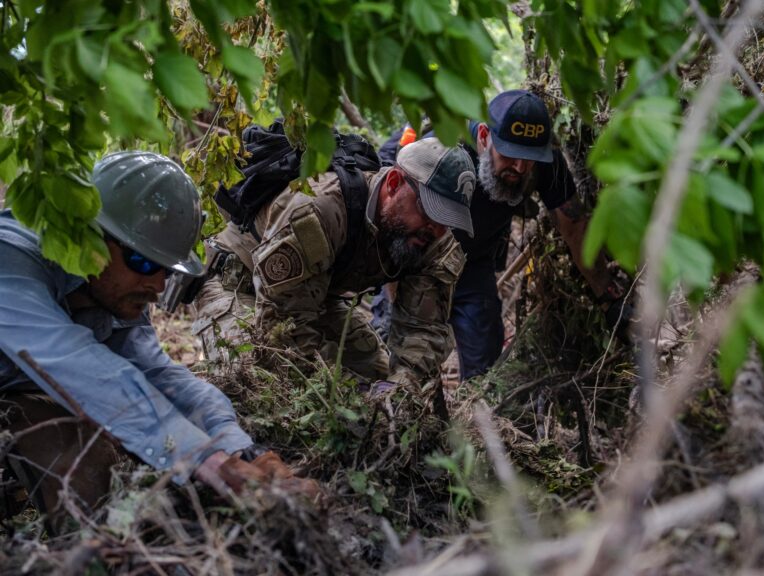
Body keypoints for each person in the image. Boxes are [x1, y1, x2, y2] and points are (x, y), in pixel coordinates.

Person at [0, 151, 314, 533]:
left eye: (166, 269)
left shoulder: (113, 290)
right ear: (93, 235)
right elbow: (78, 365)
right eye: (145, 263)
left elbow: (159, 375)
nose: (158, 285)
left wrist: (240, 449)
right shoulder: (11, 257)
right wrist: (202, 457)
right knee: (71, 431)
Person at [378, 90, 624, 380]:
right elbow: (389, 212)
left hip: (473, 263)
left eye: (529, 158)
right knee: (394, 364)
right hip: (413, 260)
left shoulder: (542, 161)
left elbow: (575, 228)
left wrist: (609, 297)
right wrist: (393, 288)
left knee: (486, 370)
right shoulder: (443, 143)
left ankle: (476, 422)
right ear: (484, 135)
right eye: (510, 154)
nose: (520, 168)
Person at [193, 138, 475, 389]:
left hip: (313, 296)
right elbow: (281, 330)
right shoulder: (319, 210)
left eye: (446, 220)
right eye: (428, 211)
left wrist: (398, 387)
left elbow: (423, 329)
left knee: (375, 375)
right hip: (237, 285)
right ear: (393, 184)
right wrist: (332, 392)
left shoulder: (432, 240)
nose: (435, 229)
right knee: (262, 383)